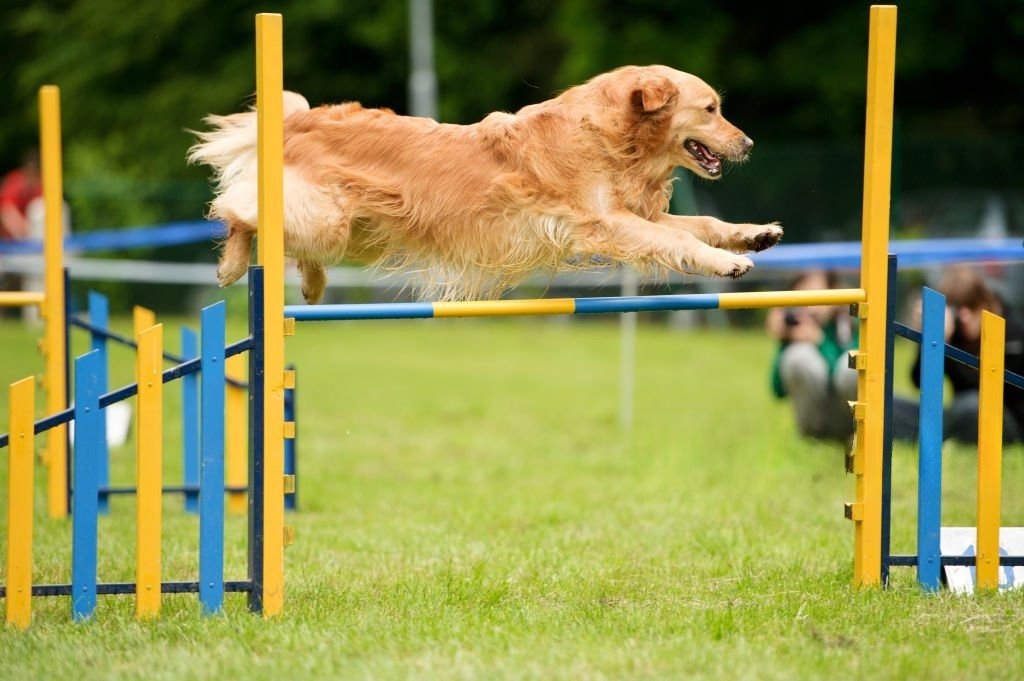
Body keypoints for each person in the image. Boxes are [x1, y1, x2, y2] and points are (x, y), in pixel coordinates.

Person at [892, 267, 1024, 444]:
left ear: (985, 302)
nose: (966, 317)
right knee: (890, 405)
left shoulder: (1014, 335)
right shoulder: (953, 333)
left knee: (974, 405)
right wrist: (932, 341)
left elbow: (988, 394)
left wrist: (947, 347)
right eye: (959, 310)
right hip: (960, 417)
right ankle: (927, 433)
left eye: (971, 306)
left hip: (1006, 422)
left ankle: (923, 434)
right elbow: (918, 382)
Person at [767, 269, 858, 440]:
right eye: (801, 297)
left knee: (853, 364)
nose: (810, 305)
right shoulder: (795, 330)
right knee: (799, 357)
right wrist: (785, 339)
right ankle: (812, 435)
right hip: (813, 420)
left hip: (847, 415)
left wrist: (820, 341)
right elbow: (777, 390)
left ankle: (854, 433)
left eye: (816, 295)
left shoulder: (850, 323)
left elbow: (840, 381)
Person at [0, 150, 42, 241]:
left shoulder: (42, 186)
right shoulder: (14, 182)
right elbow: (6, 212)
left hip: (32, 240)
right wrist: (24, 232)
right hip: (10, 242)